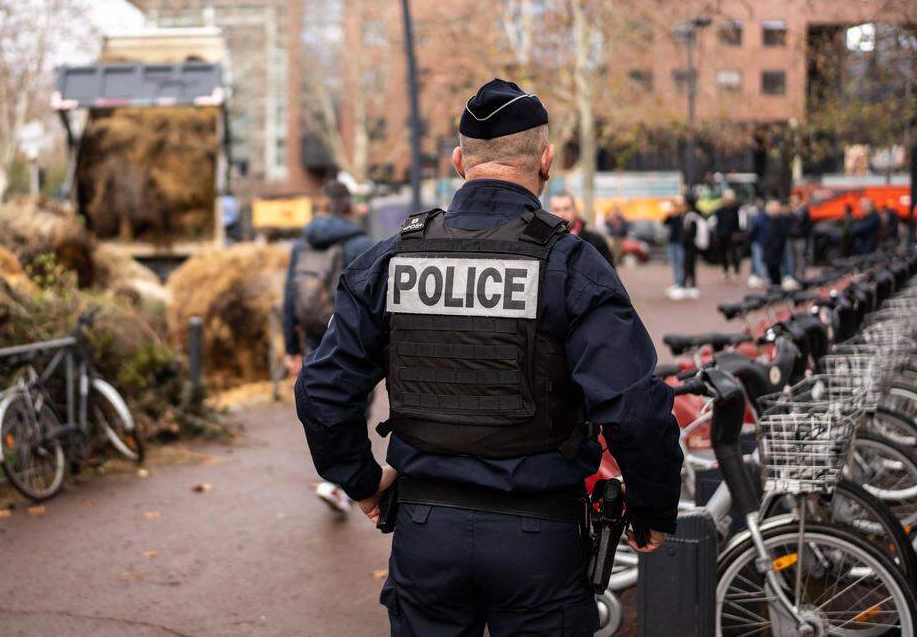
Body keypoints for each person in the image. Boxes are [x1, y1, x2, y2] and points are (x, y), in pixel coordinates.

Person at [295, 79, 682, 635]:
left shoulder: (392, 260)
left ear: (460, 161)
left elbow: (323, 389)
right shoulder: (572, 266)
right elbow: (634, 406)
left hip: (426, 531)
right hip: (540, 541)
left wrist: (359, 481)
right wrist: (651, 507)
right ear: (546, 160)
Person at [282, 180, 372, 514]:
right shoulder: (360, 242)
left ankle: (334, 479)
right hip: (350, 338)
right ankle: (340, 483)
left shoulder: (302, 243)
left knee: (319, 402)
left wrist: (291, 347)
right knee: (354, 405)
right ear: (349, 207)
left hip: (312, 335)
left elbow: (289, 297)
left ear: (323, 206)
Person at [550, 191, 615, 268]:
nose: (561, 214)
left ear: (575, 210)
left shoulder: (596, 241)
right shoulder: (545, 241)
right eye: (556, 210)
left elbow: (609, 275)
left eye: (566, 209)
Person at [713, 189, 742, 279]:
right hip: (722, 234)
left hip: (732, 235)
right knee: (723, 253)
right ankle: (725, 270)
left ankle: (736, 269)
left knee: (734, 253)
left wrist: (737, 232)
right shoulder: (719, 210)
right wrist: (717, 234)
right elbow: (717, 223)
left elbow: (737, 222)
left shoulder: (735, 210)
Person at [663, 197, 687, 299]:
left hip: (680, 243)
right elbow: (664, 222)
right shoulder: (672, 216)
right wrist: (669, 214)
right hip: (672, 242)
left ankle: (681, 283)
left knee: (680, 263)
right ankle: (677, 283)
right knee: (674, 263)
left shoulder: (683, 215)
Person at [681, 199, 704, 298]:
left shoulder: (692, 217)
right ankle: (687, 284)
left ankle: (691, 285)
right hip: (689, 246)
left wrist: (687, 240)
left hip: (691, 246)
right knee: (688, 265)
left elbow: (692, 233)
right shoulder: (690, 215)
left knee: (689, 265)